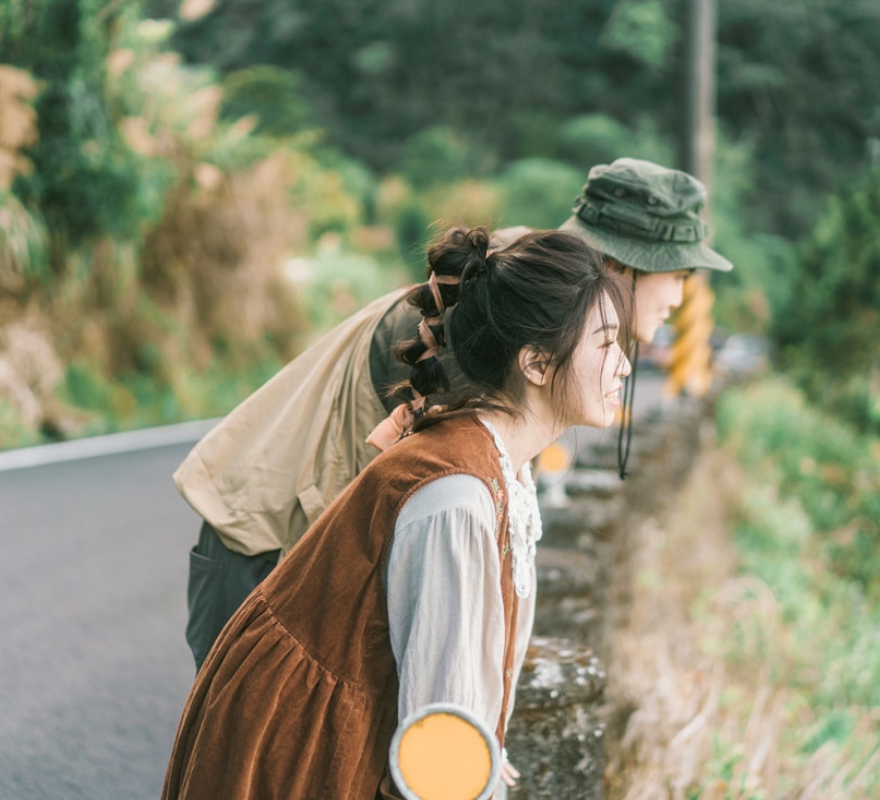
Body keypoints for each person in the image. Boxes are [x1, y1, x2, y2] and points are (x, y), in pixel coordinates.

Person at [173, 158, 733, 671]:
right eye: (679, 275)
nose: (682, 298)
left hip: (300, 536)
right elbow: (450, 513)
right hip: (265, 538)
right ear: (624, 264)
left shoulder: (541, 295)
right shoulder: (511, 305)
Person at [161, 226, 630, 800]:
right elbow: (439, 749)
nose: (625, 367)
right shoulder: (455, 498)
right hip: (301, 755)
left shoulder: (500, 465)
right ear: (534, 362)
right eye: (606, 345)